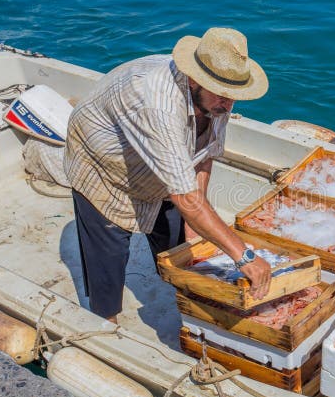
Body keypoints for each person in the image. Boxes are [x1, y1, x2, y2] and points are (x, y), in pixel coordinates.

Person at [63, 27, 272, 323]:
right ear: (195, 79)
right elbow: (184, 195)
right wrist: (244, 256)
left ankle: (185, 301)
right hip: (105, 166)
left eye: (234, 96)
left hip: (163, 165)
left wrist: (194, 217)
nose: (228, 103)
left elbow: (204, 156)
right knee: (108, 259)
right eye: (222, 94)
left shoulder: (216, 102)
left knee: (183, 241)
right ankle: (104, 325)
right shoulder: (158, 101)